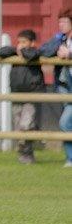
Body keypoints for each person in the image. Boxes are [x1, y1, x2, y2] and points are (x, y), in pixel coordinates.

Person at [0, 30, 45, 164]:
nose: (20, 45)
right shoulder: (15, 52)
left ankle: (28, 152)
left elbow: (32, 55)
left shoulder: (35, 53)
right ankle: (25, 156)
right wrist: (16, 50)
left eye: (24, 42)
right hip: (17, 94)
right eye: (19, 42)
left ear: (32, 43)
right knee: (18, 127)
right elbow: (1, 52)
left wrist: (21, 52)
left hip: (32, 94)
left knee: (26, 124)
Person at [40, 9, 72, 167]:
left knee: (65, 122)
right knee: (67, 123)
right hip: (66, 84)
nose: (61, 25)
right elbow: (44, 51)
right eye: (59, 21)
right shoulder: (61, 39)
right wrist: (57, 44)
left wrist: (70, 54)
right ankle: (70, 158)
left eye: (64, 22)